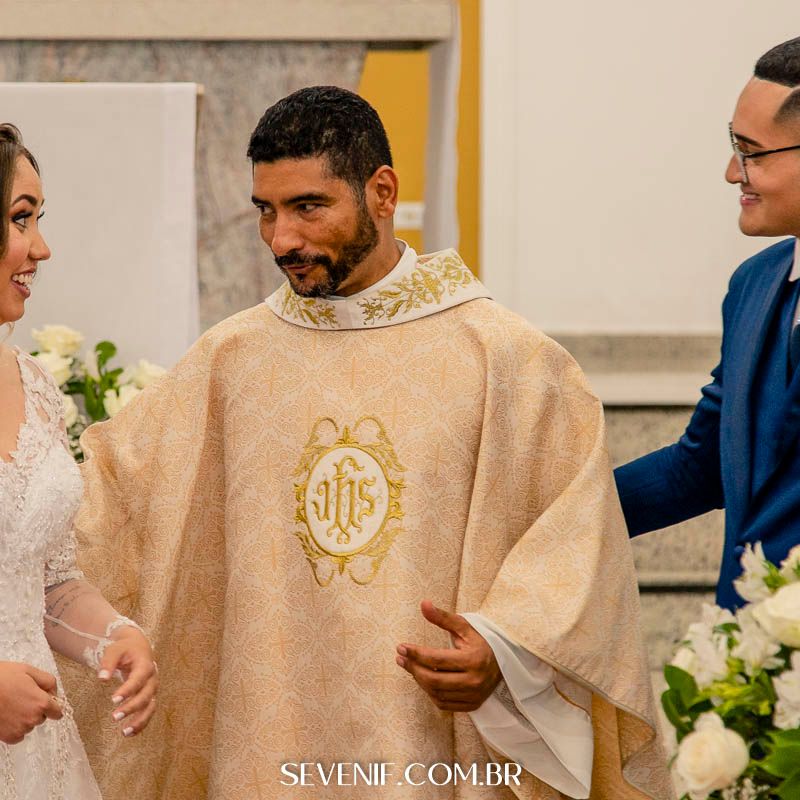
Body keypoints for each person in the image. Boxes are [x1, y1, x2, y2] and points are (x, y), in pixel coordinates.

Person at [66, 87, 670, 799]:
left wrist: (506, 652)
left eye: (308, 207)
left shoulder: (506, 360)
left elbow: (573, 541)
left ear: (381, 191)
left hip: (431, 747)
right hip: (265, 743)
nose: (281, 239)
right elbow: (105, 511)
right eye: (266, 210)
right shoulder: (231, 361)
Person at [0, 124, 158, 798]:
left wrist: (116, 637)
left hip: (37, 751)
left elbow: (45, 582)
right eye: (20, 219)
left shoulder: (36, 386)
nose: (41, 247)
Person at [615, 37, 800, 611]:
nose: (731, 172)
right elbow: (700, 468)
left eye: (752, 152)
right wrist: (542, 513)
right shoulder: (754, 285)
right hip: (750, 650)